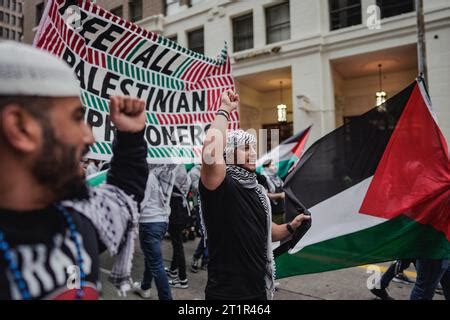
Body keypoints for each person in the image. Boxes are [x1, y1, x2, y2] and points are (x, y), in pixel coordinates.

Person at [0, 42, 148, 300]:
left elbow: (124, 195)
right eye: (76, 117)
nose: (89, 136)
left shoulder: (77, 221)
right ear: (20, 128)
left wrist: (131, 136)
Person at [199, 90, 310, 300]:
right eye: (244, 148)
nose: (252, 153)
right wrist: (224, 109)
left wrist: (291, 227)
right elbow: (210, 153)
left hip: (258, 291)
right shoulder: (221, 185)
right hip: (227, 295)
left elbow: (268, 232)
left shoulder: (258, 190)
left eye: (253, 148)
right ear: (228, 153)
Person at [132, 165, 177, 300]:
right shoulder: (165, 175)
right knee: (151, 257)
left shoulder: (149, 176)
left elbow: (141, 203)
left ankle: (166, 297)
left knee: (156, 264)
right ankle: (145, 287)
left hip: (149, 223)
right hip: (161, 222)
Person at [167, 165, 191, 289]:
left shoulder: (173, 178)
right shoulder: (186, 177)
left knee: (178, 246)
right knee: (177, 244)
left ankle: (182, 279)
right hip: (182, 211)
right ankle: (173, 270)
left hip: (176, 213)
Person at [188, 165, 208, 273]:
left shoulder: (215, 168)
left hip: (213, 206)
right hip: (199, 206)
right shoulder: (194, 172)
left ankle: (204, 259)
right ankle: (198, 258)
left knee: (210, 234)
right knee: (206, 234)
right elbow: (196, 189)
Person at [261, 159, 285, 224]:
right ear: (266, 168)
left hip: (283, 210)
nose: (275, 167)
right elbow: (265, 195)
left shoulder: (276, 177)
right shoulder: (264, 179)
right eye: (272, 165)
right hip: (275, 214)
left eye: (275, 165)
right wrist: (280, 195)